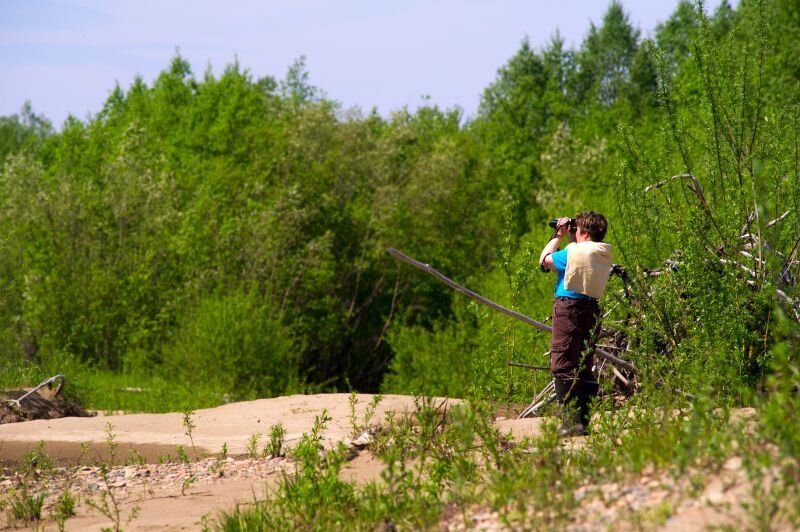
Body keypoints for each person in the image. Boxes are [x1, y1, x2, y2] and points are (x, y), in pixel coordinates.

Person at [539, 212, 612, 436]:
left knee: (562, 364)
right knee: (583, 364)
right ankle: (583, 422)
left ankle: (570, 423)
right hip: (590, 310)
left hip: (568, 308)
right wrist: (573, 236)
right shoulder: (601, 252)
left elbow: (545, 260)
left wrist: (558, 235)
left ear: (585, 233)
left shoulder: (573, 251)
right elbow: (577, 258)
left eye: (576, 229)